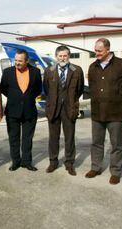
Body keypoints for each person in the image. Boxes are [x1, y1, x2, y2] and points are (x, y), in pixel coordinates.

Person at [85, 38, 122, 185]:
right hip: (97, 113)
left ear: (108, 49)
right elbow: (92, 88)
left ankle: (116, 172)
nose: (97, 53)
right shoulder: (93, 67)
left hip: (116, 113)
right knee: (96, 143)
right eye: (95, 50)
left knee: (117, 145)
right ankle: (95, 167)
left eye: (99, 51)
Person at [43, 46, 84, 176]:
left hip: (69, 109)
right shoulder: (49, 71)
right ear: (56, 57)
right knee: (53, 138)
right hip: (53, 109)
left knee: (69, 138)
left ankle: (69, 163)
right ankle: (53, 162)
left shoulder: (77, 70)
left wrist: (72, 102)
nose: (62, 58)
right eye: (60, 56)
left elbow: (80, 89)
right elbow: (47, 89)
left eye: (65, 56)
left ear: (69, 56)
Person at [1, 49, 42, 172]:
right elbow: (3, 88)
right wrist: (16, 98)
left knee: (27, 139)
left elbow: (38, 89)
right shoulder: (7, 72)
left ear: (27, 61)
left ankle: (27, 162)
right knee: (13, 138)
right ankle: (16, 162)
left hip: (29, 111)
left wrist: (27, 98)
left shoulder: (35, 72)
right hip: (13, 111)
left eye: (20, 61)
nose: (17, 63)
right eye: (16, 60)